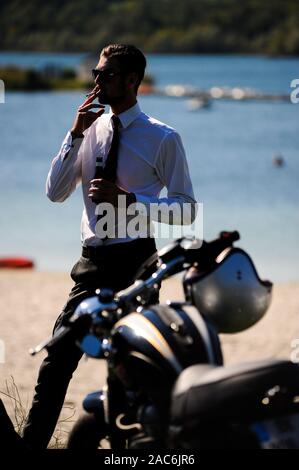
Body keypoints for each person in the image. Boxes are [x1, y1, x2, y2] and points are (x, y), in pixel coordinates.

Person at [22, 44, 197, 448]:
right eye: (97, 73)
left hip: (138, 264)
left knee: (134, 371)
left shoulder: (163, 137)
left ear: (132, 81)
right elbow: (55, 193)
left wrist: (131, 201)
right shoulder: (89, 130)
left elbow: (188, 211)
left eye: (108, 74)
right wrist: (75, 132)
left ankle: (130, 450)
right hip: (92, 265)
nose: (97, 81)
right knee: (57, 361)